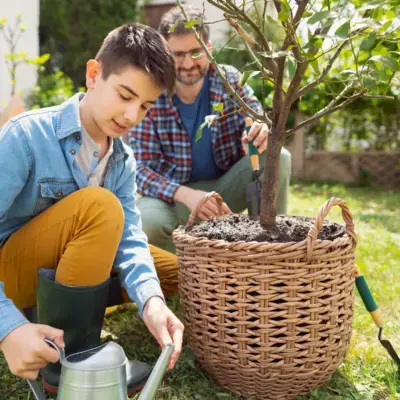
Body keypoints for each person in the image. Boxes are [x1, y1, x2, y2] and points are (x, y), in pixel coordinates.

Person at [0, 23, 183, 396]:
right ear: (94, 74)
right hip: (12, 272)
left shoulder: (121, 160)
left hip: (67, 267)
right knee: (101, 207)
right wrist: (7, 328)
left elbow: (130, 240)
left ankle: (81, 309)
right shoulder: (26, 136)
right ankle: (70, 361)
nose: (132, 115)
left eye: (145, 106)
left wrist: (151, 303)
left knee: (175, 272)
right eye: (125, 95)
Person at [129, 6, 292, 254]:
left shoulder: (230, 80)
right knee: (146, 222)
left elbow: (255, 116)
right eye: (178, 54)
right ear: (164, 54)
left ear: (209, 49)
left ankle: (269, 253)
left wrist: (262, 129)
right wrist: (186, 195)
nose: (187, 63)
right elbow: (140, 170)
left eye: (196, 52)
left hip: (223, 192)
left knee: (278, 156)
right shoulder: (151, 94)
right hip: (174, 198)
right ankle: (195, 269)